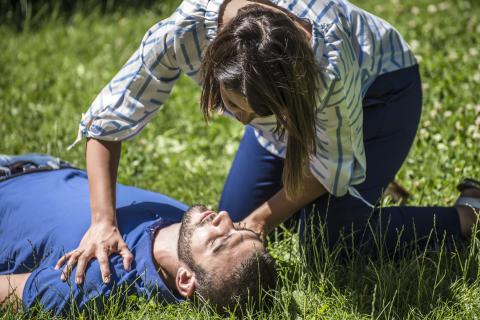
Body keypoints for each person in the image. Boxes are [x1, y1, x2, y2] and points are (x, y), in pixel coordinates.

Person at [67, 0, 479, 282]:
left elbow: (329, 167)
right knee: (236, 220)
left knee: (328, 244)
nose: (241, 120)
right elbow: (108, 119)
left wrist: (261, 221)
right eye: (234, 105)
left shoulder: (328, 63)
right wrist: (103, 223)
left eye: (254, 113)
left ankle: (468, 215)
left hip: (382, 93)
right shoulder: (182, 32)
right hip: (306, 109)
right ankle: (361, 189)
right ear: (215, 60)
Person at [0, 155, 277, 316]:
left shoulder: (100, 280)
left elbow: (10, 292)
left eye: (219, 239)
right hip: (40, 164)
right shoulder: (184, 223)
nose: (226, 218)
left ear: (184, 279)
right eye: (240, 230)